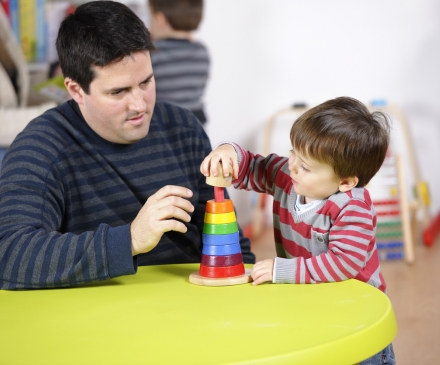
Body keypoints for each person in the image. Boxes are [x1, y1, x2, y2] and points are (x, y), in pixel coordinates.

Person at [0, 0, 254, 290]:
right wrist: (130, 239)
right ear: (75, 90)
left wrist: (245, 283)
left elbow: (226, 236)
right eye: (118, 91)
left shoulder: (183, 126)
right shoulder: (41, 147)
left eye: (145, 82)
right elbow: (9, 255)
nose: (139, 105)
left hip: (193, 308)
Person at [200, 96, 395, 364]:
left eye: (305, 166)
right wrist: (228, 153)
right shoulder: (289, 176)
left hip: (356, 315)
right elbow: (254, 166)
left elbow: (344, 263)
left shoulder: (352, 207)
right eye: (293, 152)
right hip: (312, 301)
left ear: (346, 182)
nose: (291, 164)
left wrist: (283, 270)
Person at [148, 0, 209, 125]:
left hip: (165, 123)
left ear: (160, 19)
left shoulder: (153, 52)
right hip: (196, 122)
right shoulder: (202, 52)